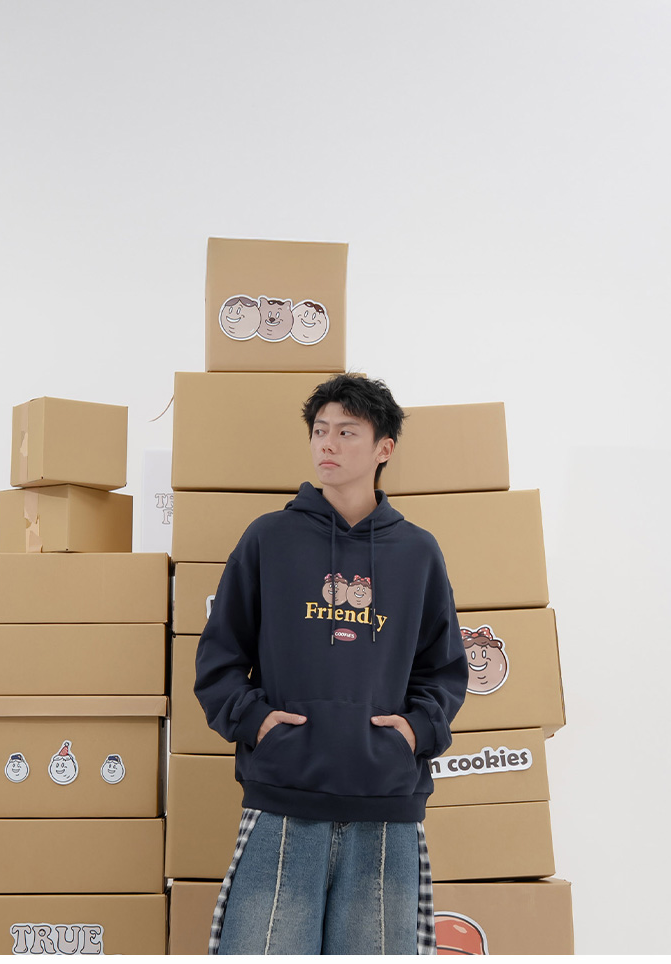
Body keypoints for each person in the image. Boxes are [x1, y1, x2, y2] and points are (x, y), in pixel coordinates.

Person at [194, 373, 468, 955]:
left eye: (347, 432)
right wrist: (256, 723)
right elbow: (219, 655)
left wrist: (415, 731)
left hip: (386, 805)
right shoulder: (269, 538)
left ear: (383, 448)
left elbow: (443, 669)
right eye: (320, 430)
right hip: (284, 796)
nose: (328, 444)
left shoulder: (418, 552)